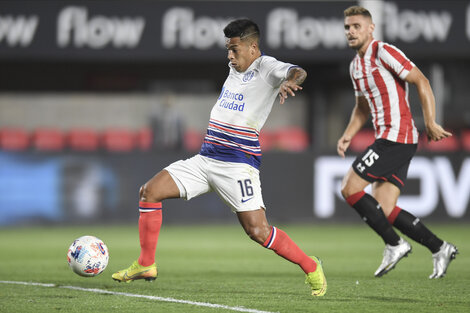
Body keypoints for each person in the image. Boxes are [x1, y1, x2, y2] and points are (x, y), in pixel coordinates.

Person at [112, 19, 327, 296]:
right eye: (228, 49)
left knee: (258, 232)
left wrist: (290, 81)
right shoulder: (234, 66)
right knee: (149, 192)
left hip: (237, 165)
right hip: (206, 159)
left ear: (252, 47)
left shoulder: (267, 67)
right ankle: (146, 264)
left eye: (234, 49)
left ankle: (311, 266)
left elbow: (299, 71)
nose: (229, 56)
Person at [338, 6, 458, 278]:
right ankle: (440, 248)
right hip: (390, 138)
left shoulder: (383, 52)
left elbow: (421, 80)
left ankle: (395, 244)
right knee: (386, 208)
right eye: (347, 27)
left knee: (349, 187)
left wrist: (430, 122)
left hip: (397, 137)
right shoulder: (356, 65)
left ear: (371, 28)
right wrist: (348, 134)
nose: (351, 31)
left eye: (357, 26)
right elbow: (361, 108)